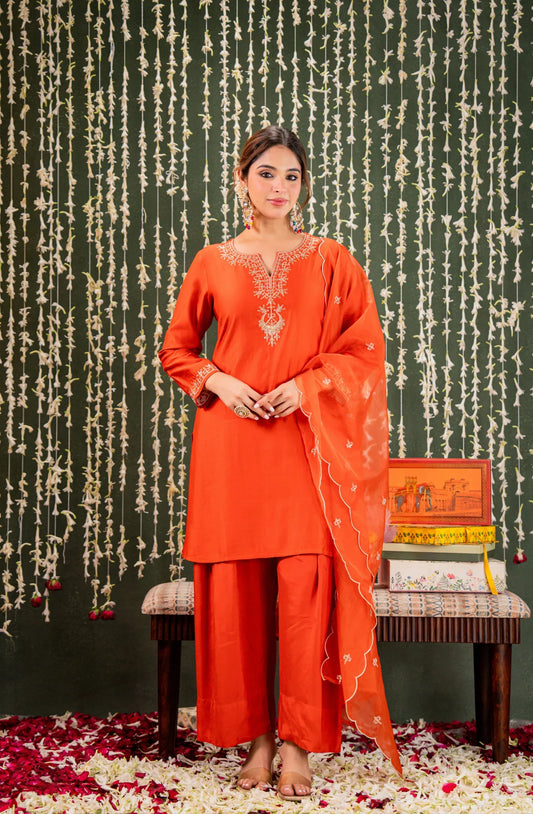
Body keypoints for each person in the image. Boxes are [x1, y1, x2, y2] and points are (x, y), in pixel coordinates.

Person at [159, 125, 401, 800]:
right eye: (266, 173)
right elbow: (177, 349)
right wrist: (217, 379)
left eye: (291, 175)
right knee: (236, 595)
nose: (278, 186)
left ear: (304, 186)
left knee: (303, 595)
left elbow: (364, 349)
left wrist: (307, 385)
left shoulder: (331, 260)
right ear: (242, 179)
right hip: (230, 446)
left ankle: (297, 744)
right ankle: (257, 740)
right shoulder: (211, 261)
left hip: (305, 447)